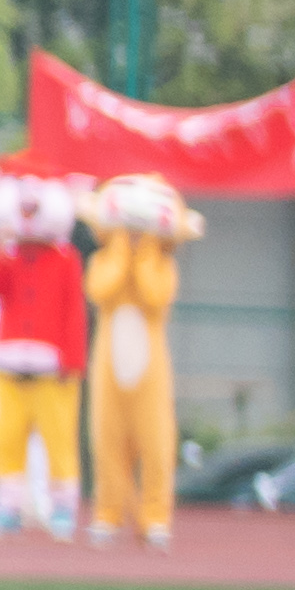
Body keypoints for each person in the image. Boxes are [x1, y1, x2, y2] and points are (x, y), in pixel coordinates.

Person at [0, 172, 89, 542]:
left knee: (58, 439)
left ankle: (63, 506)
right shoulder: (9, 255)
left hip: (51, 368)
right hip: (9, 364)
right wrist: (2, 247)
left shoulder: (65, 258)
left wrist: (73, 360)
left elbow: (73, 312)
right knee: (7, 439)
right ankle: (8, 506)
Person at [83, 173, 194, 552]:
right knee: (107, 439)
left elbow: (153, 295)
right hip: (108, 370)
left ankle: (155, 516)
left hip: (150, 373)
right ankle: (109, 513)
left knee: (156, 442)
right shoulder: (101, 260)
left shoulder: (163, 266)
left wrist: (144, 250)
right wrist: (120, 249)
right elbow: (103, 289)